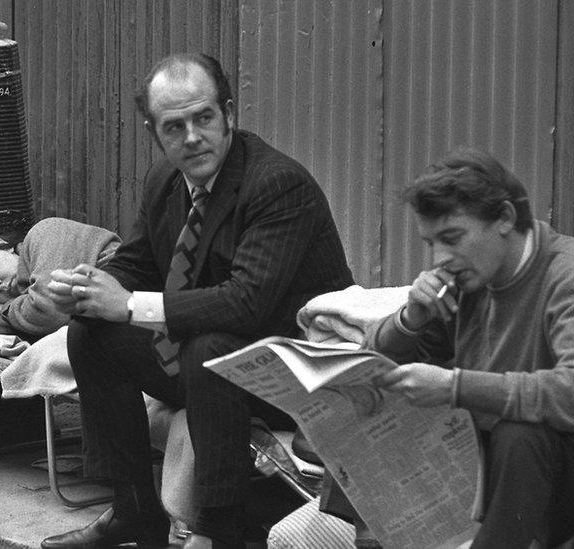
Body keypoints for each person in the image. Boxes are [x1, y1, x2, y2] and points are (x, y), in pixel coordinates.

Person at [40, 53, 354, 549]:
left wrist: (127, 305)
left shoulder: (277, 183)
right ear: (154, 133)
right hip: (205, 365)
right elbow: (138, 265)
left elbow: (247, 303)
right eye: (174, 126)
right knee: (90, 333)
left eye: (204, 118)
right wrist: (88, 288)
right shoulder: (166, 181)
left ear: (229, 113)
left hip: (291, 376)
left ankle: (215, 532)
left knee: (212, 346)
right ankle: (134, 512)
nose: (192, 137)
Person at [362, 149, 574, 548]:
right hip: (483, 463)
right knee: (375, 402)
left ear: (505, 219)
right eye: (430, 243)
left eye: (452, 238)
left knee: (520, 432)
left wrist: (455, 386)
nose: (441, 258)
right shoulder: (463, 284)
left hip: (552, 474)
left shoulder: (564, 274)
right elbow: (368, 363)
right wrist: (411, 318)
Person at [0, 214, 121, 338]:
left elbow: (50, 313)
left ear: (1, 244)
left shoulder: (45, 232)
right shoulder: (25, 306)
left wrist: (3, 308)